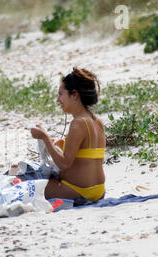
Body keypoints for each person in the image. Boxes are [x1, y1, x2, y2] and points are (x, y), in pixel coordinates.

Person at [29, 67, 106, 202]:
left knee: (28, 186)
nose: (58, 100)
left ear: (74, 95)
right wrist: (61, 144)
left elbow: (64, 164)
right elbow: (85, 154)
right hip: (99, 190)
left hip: (78, 190)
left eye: (60, 94)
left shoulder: (78, 123)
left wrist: (45, 138)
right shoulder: (96, 121)